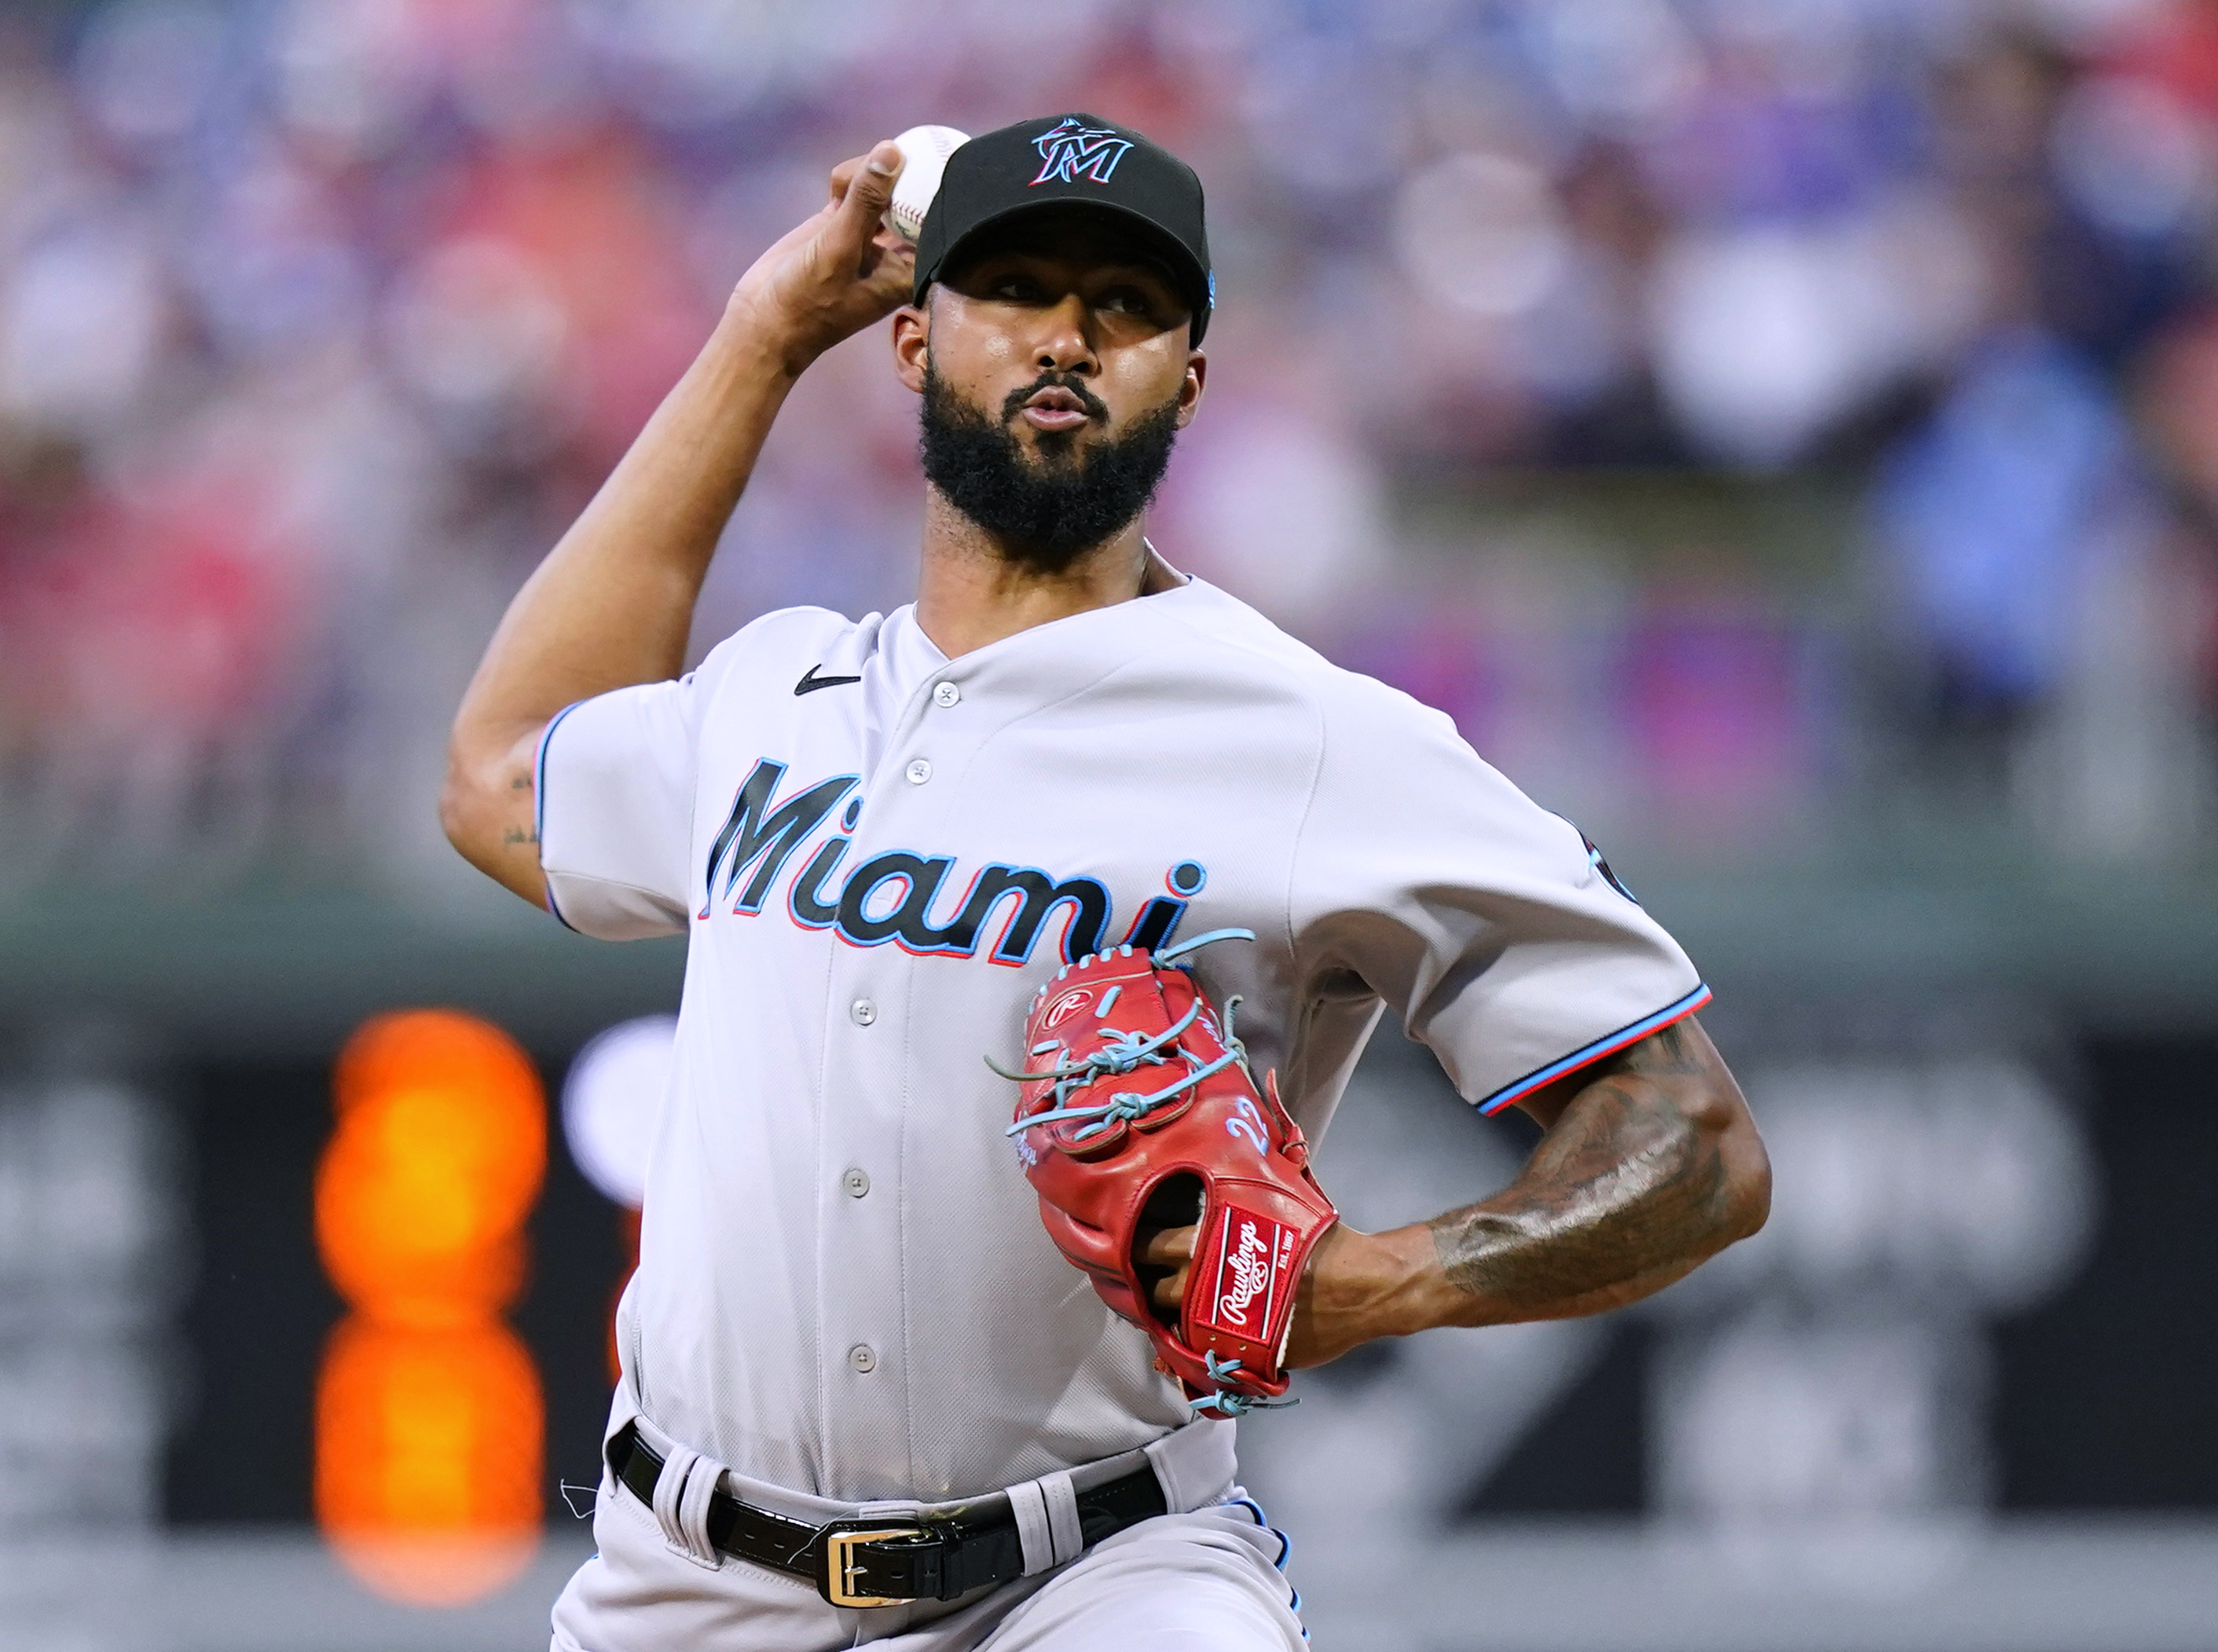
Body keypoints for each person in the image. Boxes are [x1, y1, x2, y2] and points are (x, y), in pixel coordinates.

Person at [439, 113, 1770, 1652]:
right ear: (908, 337)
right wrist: (759, 331)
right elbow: (498, 776)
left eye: (1124, 303)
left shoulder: (1314, 736)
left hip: (1098, 1576)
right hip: (688, 1582)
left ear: (1187, 377)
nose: (1064, 333)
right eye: (1010, 284)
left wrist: (1371, 1283)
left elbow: (1692, 1140)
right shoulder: (768, 695)